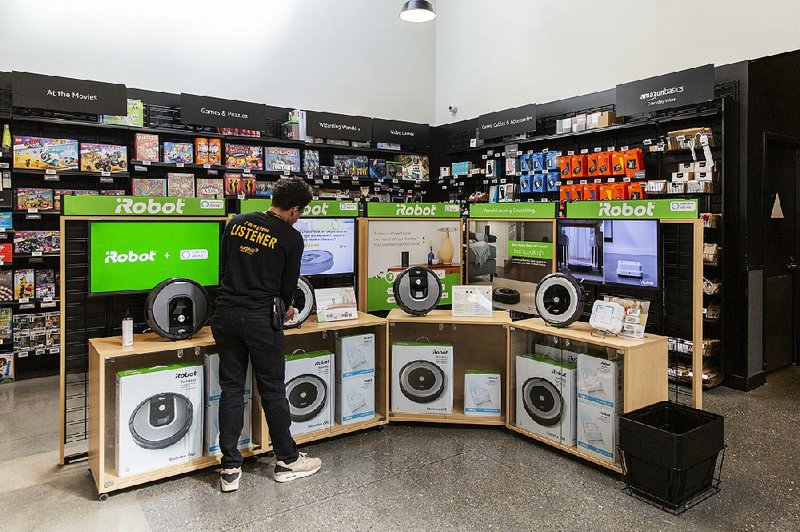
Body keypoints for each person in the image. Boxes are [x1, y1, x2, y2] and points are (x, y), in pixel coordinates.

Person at [211, 177, 321, 493]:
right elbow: (287, 291)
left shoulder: (236, 222)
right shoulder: (291, 237)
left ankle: (230, 467)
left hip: (226, 314)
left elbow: (226, 268)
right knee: (272, 389)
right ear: (295, 210)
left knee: (231, 388)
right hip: (260, 320)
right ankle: (287, 460)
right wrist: (285, 307)